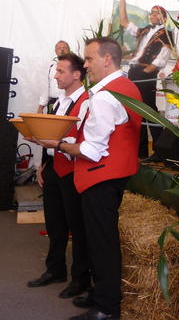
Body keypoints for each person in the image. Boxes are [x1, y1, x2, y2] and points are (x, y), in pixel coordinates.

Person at [39, 37, 142, 320]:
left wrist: (58, 145)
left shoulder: (106, 96)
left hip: (100, 178)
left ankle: (107, 309)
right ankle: (100, 295)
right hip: (115, 175)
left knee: (102, 244)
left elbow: (91, 150)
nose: (85, 65)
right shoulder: (127, 87)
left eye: (89, 59)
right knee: (100, 241)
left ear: (107, 59)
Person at [27, 53, 91, 300]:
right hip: (55, 167)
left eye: (61, 71)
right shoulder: (60, 102)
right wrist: (44, 165)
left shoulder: (87, 102)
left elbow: (84, 140)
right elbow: (50, 137)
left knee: (77, 227)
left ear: (76, 74)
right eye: (56, 71)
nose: (55, 76)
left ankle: (80, 279)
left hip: (73, 170)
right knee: (54, 224)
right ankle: (55, 269)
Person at [118, 0, 172, 158]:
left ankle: (160, 151)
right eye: (152, 12)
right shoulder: (145, 30)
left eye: (156, 13)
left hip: (146, 73)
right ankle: (140, 151)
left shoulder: (167, 34)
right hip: (134, 71)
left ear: (164, 18)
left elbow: (163, 57)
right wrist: (122, 0)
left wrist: (146, 71)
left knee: (149, 110)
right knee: (135, 110)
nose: (153, 15)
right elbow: (124, 23)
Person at [37, 40, 70, 113]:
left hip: (68, 103)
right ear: (56, 52)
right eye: (59, 48)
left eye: (65, 48)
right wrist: (40, 107)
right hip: (53, 103)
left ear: (69, 50)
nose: (62, 50)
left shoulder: (75, 68)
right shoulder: (51, 68)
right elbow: (46, 88)